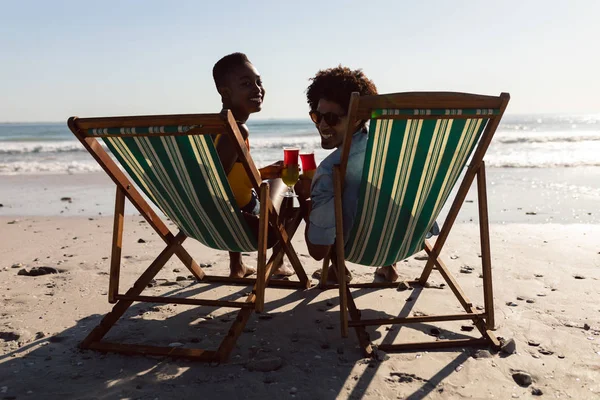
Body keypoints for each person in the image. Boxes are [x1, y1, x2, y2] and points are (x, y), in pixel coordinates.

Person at [295, 66, 403, 282]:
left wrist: (306, 199)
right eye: (317, 116)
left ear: (355, 118)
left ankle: (338, 269)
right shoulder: (392, 152)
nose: (323, 125)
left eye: (332, 118)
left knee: (331, 200)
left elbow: (318, 251)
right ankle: (388, 267)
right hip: (404, 240)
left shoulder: (328, 171)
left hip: (357, 248)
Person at [212, 52, 294, 278]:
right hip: (246, 224)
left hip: (211, 219)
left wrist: (263, 172)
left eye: (259, 82)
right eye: (247, 84)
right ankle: (278, 263)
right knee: (286, 189)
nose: (257, 89)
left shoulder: (211, 128)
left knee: (261, 184)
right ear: (225, 92)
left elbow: (224, 179)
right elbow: (215, 182)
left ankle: (237, 266)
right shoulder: (236, 130)